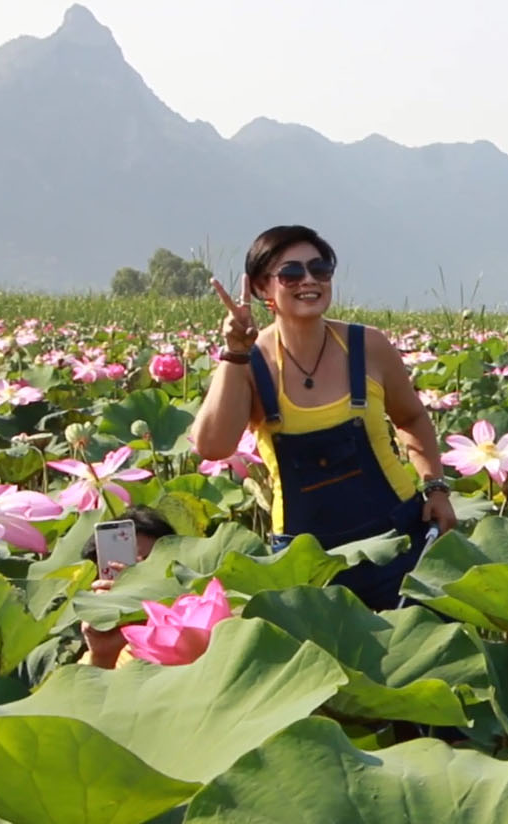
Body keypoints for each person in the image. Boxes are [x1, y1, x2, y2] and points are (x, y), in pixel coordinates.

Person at [191, 225, 457, 611]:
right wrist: (234, 353)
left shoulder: (370, 346)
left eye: (321, 269)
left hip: (397, 539)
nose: (309, 281)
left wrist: (436, 487)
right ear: (265, 289)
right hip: (307, 559)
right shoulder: (250, 362)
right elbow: (213, 447)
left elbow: (412, 418)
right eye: (292, 274)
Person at [79, 505, 177, 668]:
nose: (135, 575)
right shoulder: (94, 659)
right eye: (127, 565)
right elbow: (95, 693)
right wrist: (103, 657)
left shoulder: (208, 631)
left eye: (148, 563)